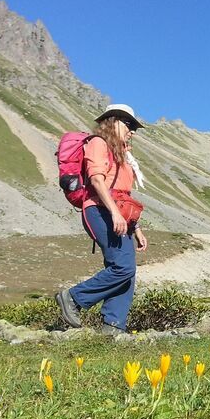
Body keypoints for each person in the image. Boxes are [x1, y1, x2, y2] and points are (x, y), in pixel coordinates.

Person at [55, 104, 148, 336]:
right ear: (113, 121)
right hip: (99, 209)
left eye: (134, 126)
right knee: (123, 267)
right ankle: (73, 298)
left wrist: (135, 227)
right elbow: (97, 181)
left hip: (118, 213)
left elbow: (122, 192)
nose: (132, 131)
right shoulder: (98, 143)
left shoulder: (123, 154)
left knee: (127, 270)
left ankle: (113, 326)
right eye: (129, 124)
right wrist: (115, 214)